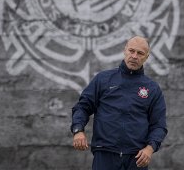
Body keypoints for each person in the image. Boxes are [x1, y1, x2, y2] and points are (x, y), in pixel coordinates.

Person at [71, 36, 168, 170]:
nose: (134, 56)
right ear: (125, 51)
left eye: (140, 53)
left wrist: (150, 149)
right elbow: (82, 107)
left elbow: (159, 125)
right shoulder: (103, 79)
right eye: (131, 51)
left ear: (147, 57)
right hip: (105, 154)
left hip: (136, 158)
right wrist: (78, 130)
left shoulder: (152, 89)